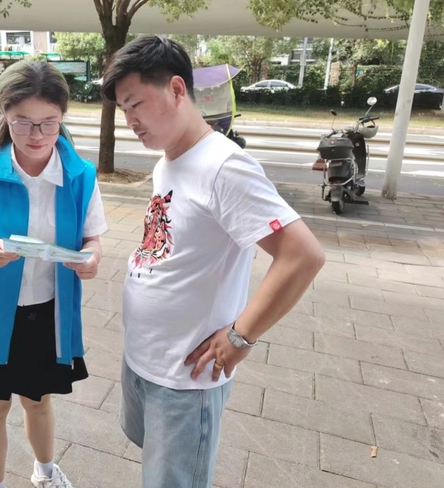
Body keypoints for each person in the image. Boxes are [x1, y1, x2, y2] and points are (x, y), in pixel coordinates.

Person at [101, 35, 326, 487]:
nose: (130, 121)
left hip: (185, 379)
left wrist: (242, 336)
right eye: (124, 110)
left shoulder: (224, 166)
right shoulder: (168, 161)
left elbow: (302, 255)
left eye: (136, 104)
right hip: (147, 359)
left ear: (177, 89)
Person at [0, 60, 107, 488]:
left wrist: (91, 259)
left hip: (45, 313)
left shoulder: (80, 175)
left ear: (63, 115)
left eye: (49, 123)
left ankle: (44, 473)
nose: (37, 135)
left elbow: (92, 239)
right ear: (4, 113)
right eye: (23, 123)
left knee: (38, 402)